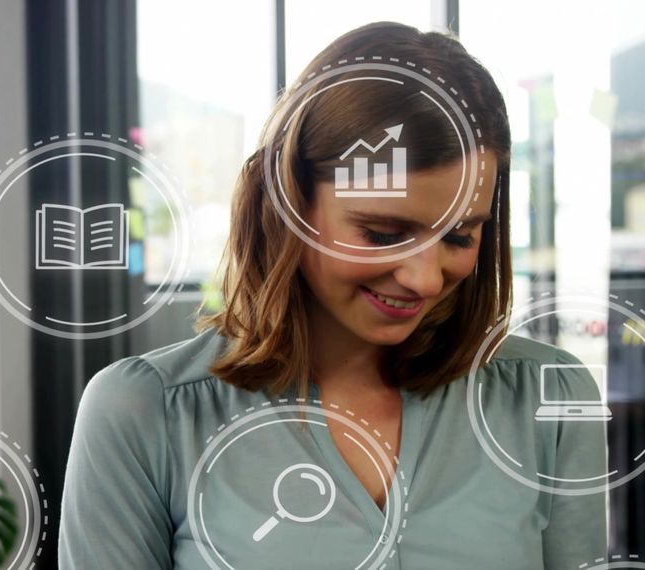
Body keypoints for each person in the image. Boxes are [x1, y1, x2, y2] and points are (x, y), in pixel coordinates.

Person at [58, 22, 607, 569]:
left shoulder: (548, 398)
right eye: (383, 234)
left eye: (460, 236)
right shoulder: (146, 414)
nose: (425, 279)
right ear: (288, 204)